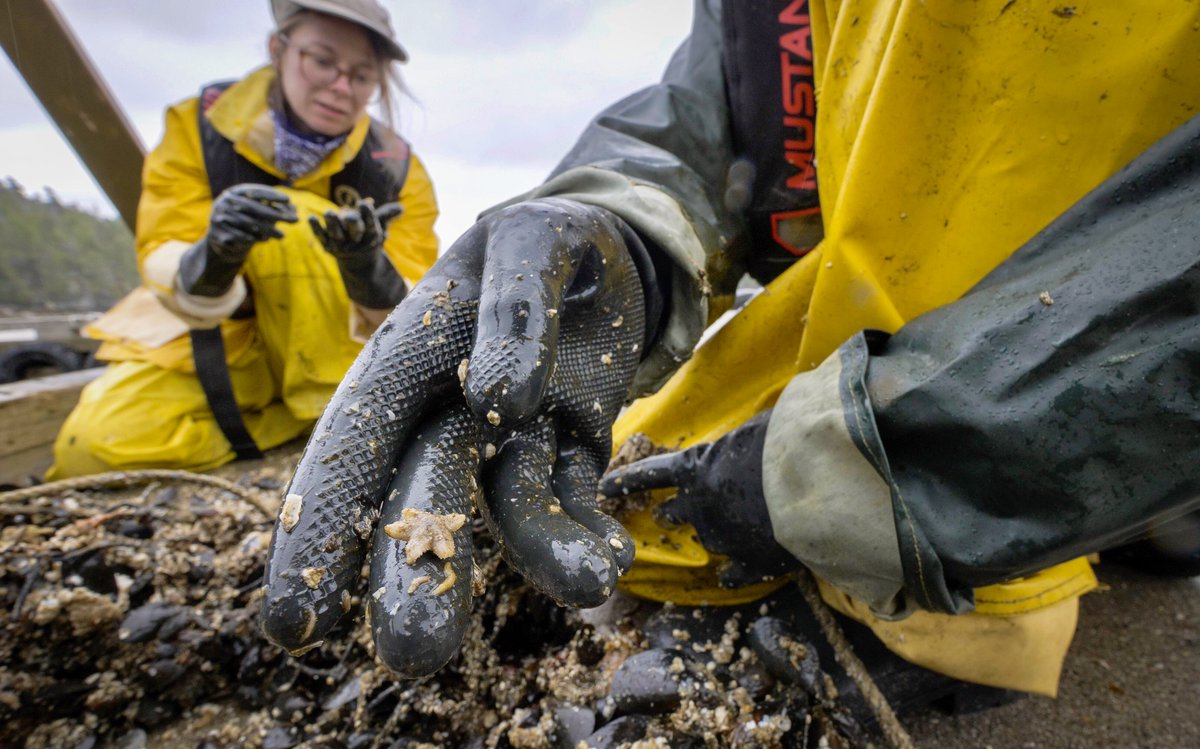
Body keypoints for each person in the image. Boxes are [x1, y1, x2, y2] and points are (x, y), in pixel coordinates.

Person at [259, 0, 1200, 695]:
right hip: (836, 352)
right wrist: (620, 226)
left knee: (1115, 557)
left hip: (1038, 382)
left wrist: (878, 472)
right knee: (637, 494)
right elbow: (701, 115)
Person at [48, 0, 438, 479]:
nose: (340, 87)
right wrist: (215, 254)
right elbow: (164, 245)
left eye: (360, 76)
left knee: (299, 216)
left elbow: (417, 307)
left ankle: (317, 417)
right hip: (223, 352)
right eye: (322, 61)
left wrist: (366, 268)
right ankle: (295, 431)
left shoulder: (396, 168)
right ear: (279, 49)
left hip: (337, 368)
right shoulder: (198, 126)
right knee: (91, 447)